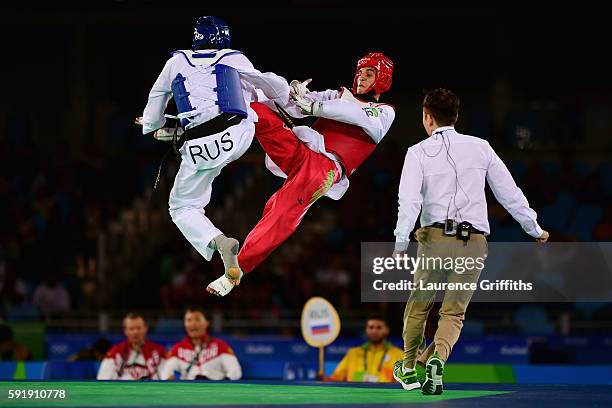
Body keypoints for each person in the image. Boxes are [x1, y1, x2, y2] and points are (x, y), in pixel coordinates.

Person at [391, 88, 549, 395]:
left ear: (426, 117)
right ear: (456, 116)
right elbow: (508, 192)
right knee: (453, 313)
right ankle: (437, 360)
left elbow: (408, 201)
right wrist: (535, 228)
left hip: (435, 238)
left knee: (420, 305)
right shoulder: (481, 147)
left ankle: (410, 368)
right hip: (473, 242)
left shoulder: (417, 152)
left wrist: (399, 243)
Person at [207, 52, 395, 296]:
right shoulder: (336, 95)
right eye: (360, 72)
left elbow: (355, 115)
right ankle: (200, 124)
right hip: (299, 150)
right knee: (256, 111)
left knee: (282, 209)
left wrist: (317, 107)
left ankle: (237, 270)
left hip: (324, 169)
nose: (361, 77)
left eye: (369, 74)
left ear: (382, 80)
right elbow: (296, 108)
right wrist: (292, 94)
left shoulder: (384, 111)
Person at [138, 16, 289, 284]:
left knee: (182, 207)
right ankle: (292, 123)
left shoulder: (175, 62)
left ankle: (218, 241)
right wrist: (287, 95)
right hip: (238, 135)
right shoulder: (233, 57)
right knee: (253, 92)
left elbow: (155, 101)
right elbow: (267, 82)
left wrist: (153, 125)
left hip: (198, 147)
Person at [161, 307, 241, 380]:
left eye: (197, 319)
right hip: (188, 393)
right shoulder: (177, 349)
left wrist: (224, 385)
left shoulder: (220, 346)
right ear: (184, 324)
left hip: (215, 392)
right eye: (189, 320)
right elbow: (165, 374)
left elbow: (235, 372)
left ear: (207, 323)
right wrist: (169, 379)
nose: (193, 324)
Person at [327, 316, 403, 383]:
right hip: (355, 397)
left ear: (387, 330)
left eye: (379, 327)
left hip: (385, 397)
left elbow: (402, 383)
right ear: (366, 330)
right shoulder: (353, 353)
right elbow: (335, 379)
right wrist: (323, 379)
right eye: (371, 327)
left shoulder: (398, 354)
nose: (374, 331)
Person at [97, 313, 166, 380]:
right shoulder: (116, 352)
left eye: (138, 328)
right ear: (125, 331)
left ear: (145, 328)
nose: (135, 332)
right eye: (131, 329)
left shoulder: (158, 351)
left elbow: (166, 379)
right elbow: (102, 379)